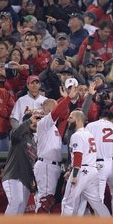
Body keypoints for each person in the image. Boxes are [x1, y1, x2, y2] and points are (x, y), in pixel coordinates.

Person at [34, 85, 78, 213]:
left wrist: (67, 100)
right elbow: (58, 112)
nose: (58, 110)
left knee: (47, 199)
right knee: (45, 199)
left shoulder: (53, 127)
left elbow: (66, 115)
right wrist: (68, 99)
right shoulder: (44, 123)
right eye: (55, 107)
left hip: (52, 166)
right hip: (46, 164)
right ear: (48, 109)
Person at [61, 110, 111, 217]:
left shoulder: (77, 135)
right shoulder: (89, 134)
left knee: (68, 202)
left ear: (78, 120)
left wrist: (74, 175)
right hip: (92, 171)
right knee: (97, 203)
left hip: (81, 171)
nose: (68, 120)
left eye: (71, 118)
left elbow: (78, 156)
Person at [85, 110, 113, 217]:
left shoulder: (91, 126)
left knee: (98, 195)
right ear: (112, 119)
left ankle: (100, 222)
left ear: (100, 116)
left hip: (99, 163)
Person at [2, 113, 40, 215]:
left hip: (25, 180)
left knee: (20, 209)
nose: (36, 123)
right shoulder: (19, 136)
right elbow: (15, 134)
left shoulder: (33, 140)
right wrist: (28, 121)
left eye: (37, 121)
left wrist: (32, 180)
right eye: (34, 121)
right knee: (16, 201)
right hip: (13, 176)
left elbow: (30, 163)